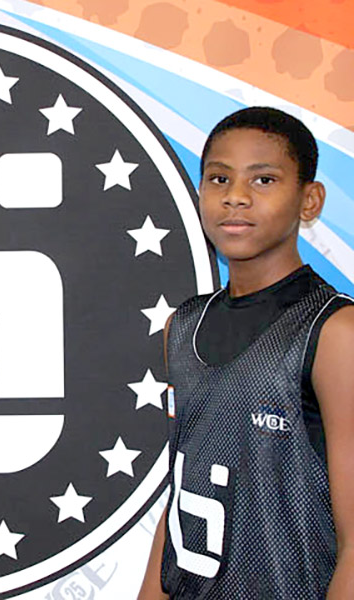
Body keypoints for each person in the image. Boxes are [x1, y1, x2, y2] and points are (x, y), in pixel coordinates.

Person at [138, 106, 354, 599]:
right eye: (220, 178)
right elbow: (183, 498)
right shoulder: (182, 327)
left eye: (263, 180)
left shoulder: (334, 332)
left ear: (309, 200)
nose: (235, 196)